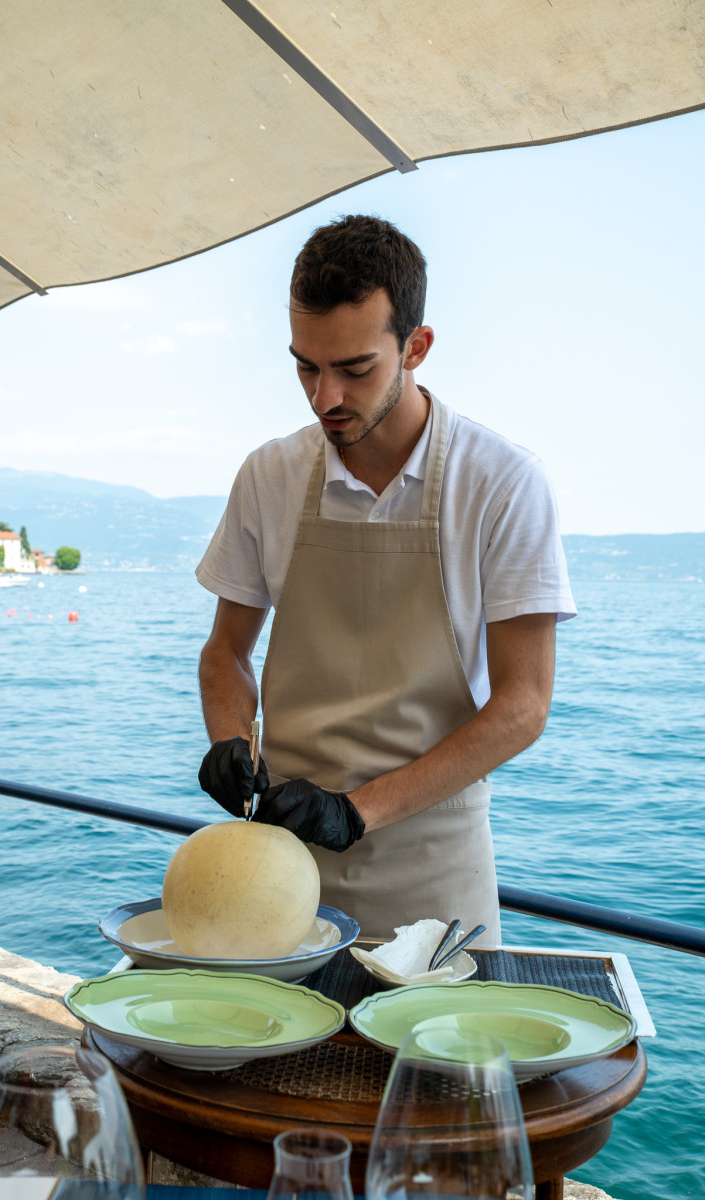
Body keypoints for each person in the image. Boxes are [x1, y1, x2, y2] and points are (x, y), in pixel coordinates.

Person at [195, 215, 575, 945]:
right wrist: (229, 741)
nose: (324, 397)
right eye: (306, 367)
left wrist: (358, 810)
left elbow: (523, 706)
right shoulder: (269, 475)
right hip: (279, 860)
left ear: (416, 347)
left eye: (355, 368)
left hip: (433, 864)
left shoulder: (502, 482)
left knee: (440, 1028)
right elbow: (226, 652)